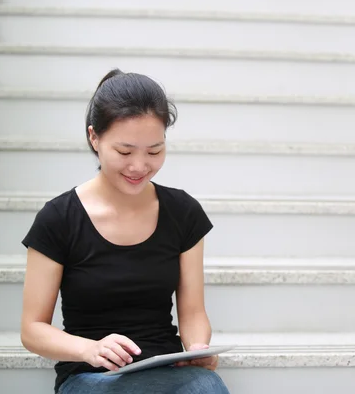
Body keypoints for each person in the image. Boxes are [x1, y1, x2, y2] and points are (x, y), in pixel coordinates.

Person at [20, 69, 231, 394]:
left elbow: (192, 311)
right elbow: (32, 330)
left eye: (154, 151)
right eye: (124, 152)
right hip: (92, 376)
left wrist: (198, 348)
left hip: (167, 369)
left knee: (206, 386)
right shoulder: (59, 218)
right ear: (94, 138)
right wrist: (89, 350)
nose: (139, 166)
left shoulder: (183, 212)